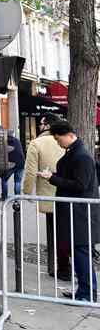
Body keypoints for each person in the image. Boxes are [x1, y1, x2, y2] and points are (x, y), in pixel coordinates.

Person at [39, 121, 99, 302]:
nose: (58, 143)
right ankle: (85, 291)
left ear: (67, 135)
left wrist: (53, 179)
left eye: (58, 140)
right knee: (80, 253)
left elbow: (80, 185)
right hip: (76, 212)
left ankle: (87, 293)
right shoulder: (76, 152)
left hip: (80, 214)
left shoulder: (81, 156)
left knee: (82, 254)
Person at [23, 114, 69, 279]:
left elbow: (30, 171)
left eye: (41, 123)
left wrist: (26, 192)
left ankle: (58, 267)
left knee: (54, 233)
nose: (39, 126)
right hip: (69, 194)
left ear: (47, 125)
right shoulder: (68, 140)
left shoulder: (36, 143)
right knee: (67, 232)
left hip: (49, 195)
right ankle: (67, 266)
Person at [0, 126, 26, 202]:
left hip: (11, 164)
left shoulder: (4, 141)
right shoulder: (17, 141)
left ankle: (4, 196)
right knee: (17, 181)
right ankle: (17, 198)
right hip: (21, 164)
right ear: (13, 134)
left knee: (4, 179)